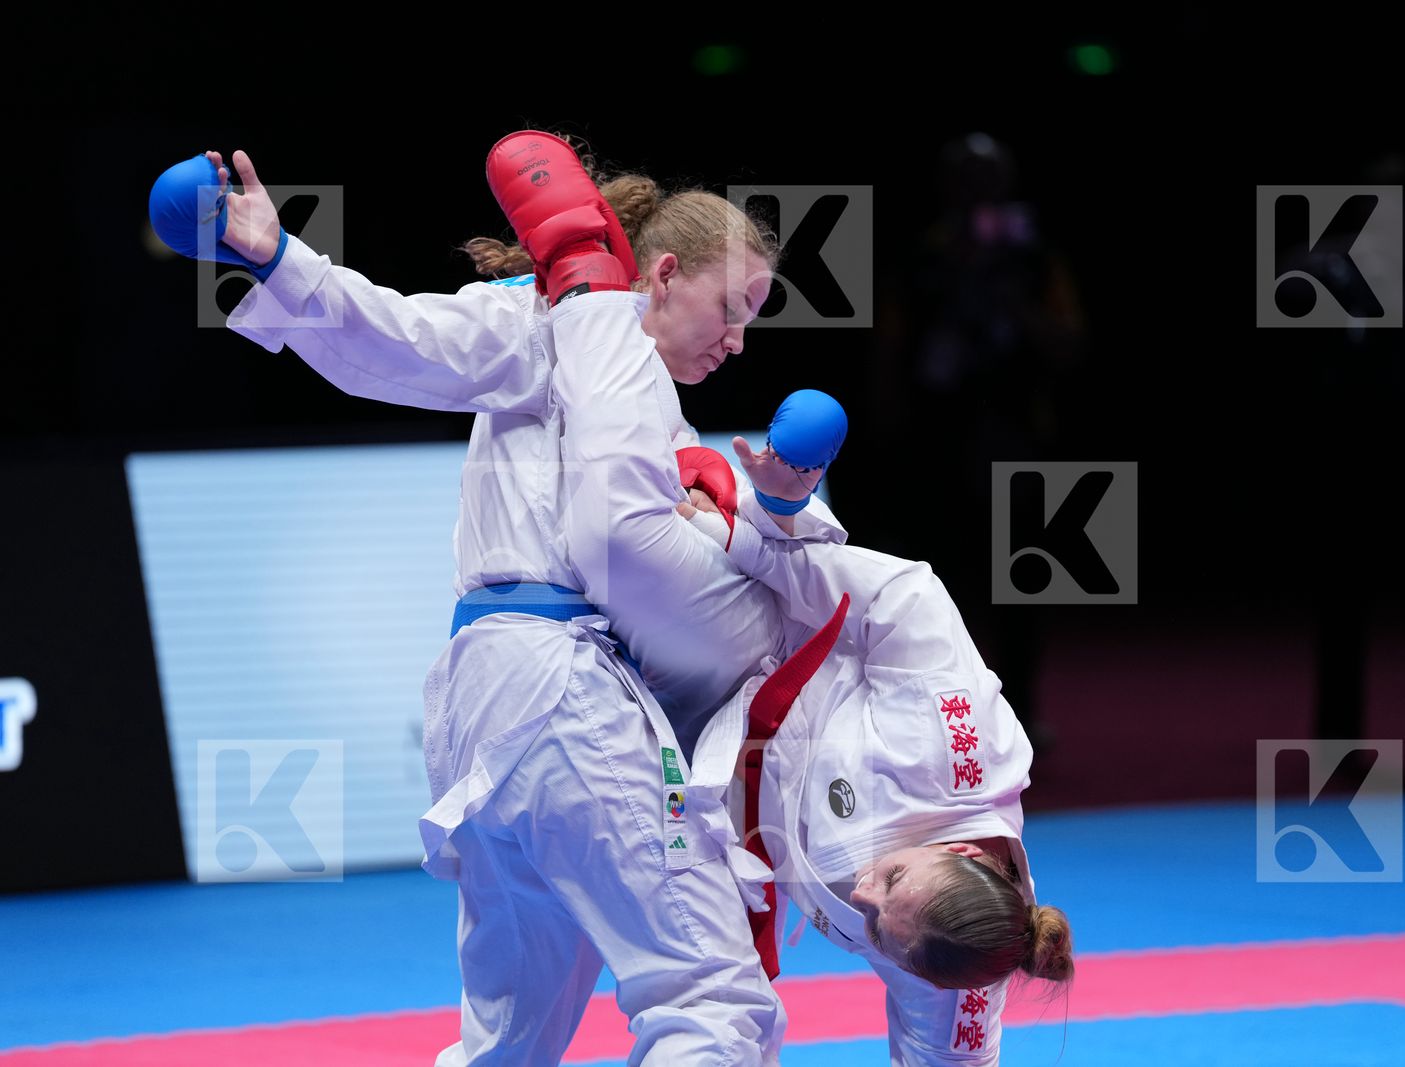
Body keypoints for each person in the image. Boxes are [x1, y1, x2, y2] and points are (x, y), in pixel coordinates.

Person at [151, 133, 835, 1066]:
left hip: (495, 705)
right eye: (735, 305)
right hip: (560, 690)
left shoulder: (642, 396)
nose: (740, 338)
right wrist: (278, 254)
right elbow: (396, 337)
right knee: (711, 998)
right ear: (665, 274)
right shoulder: (556, 319)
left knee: (508, 1042)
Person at [546, 276, 1075, 1063]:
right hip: (749, 650)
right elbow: (903, 593)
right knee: (632, 534)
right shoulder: (958, 751)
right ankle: (586, 280)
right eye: (892, 882)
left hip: (709, 803)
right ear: (959, 852)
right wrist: (762, 543)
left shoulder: (954, 979)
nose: (864, 897)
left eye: (875, 932)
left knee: (701, 1003)